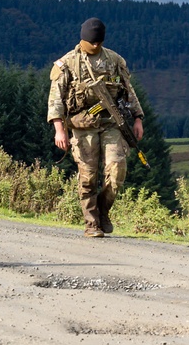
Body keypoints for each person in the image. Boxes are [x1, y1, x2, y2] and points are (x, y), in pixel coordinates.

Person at [47, 17, 145, 237]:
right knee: (88, 175)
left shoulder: (114, 60)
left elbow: (128, 91)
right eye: (91, 42)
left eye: (99, 42)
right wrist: (59, 129)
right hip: (82, 126)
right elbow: (56, 99)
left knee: (117, 170)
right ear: (83, 39)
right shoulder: (68, 63)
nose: (95, 46)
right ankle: (91, 224)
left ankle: (102, 210)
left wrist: (138, 117)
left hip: (111, 124)